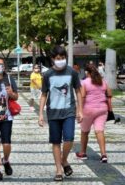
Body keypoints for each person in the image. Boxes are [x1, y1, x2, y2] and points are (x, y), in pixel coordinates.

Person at [38, 45, 83, 182]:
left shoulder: (72, 72)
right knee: (56, 142)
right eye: (58, 58)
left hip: (69, 111)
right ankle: (59, 169)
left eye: (63, 58)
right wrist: (40, 114)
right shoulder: (47, 75)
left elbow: (78, 91)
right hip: (53, 113)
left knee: (69, 139)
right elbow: (44, 95)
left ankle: (63, 160)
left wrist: (80, 110)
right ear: (52, 59)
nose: (61, 60)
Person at [76, 63, 112, 163]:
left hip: (88, 110)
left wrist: (79, 110)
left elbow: (82, 97)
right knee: (99, 131)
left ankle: (82, 153)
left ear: (87, 72)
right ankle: (104, 154)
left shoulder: (84, 82)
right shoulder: (102, 82)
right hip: (102, 110)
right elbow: (109, 93)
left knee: (84, 132)